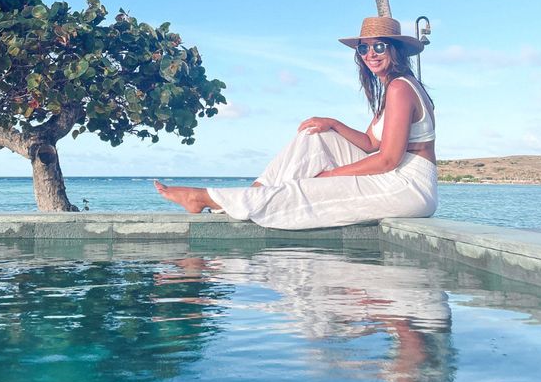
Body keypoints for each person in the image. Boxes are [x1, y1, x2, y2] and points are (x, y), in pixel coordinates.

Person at [154, 16, 438, 229]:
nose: (370, 55)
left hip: (408, 186)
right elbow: (371, 143)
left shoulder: (400, 88)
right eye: (363, 49)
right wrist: (333, 123)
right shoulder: (393, 89)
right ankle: (254, 192)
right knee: (315, 136)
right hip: (396, 175)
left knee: (306, 191)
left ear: (396, 50)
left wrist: (330, 176)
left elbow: (387, 159)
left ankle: (209, 198)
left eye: (379, 46)